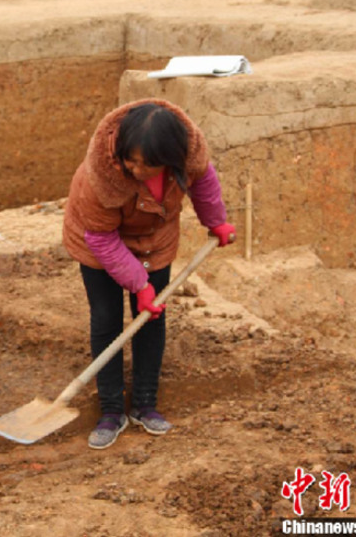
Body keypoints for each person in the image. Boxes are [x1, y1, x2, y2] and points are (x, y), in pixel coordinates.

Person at [62, 99, 236, 450]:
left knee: (151, 320)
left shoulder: (188, 155)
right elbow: (101, 238)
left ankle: (144, 403)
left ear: (171, 159)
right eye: (132, 160)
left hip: (154, 242)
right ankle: (111, 410)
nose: (138, 169)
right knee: (107, 320)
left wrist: (215, 220)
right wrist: (138, 284)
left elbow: (203, 181)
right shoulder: (98, 177)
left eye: (149, 164)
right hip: (98, 245)